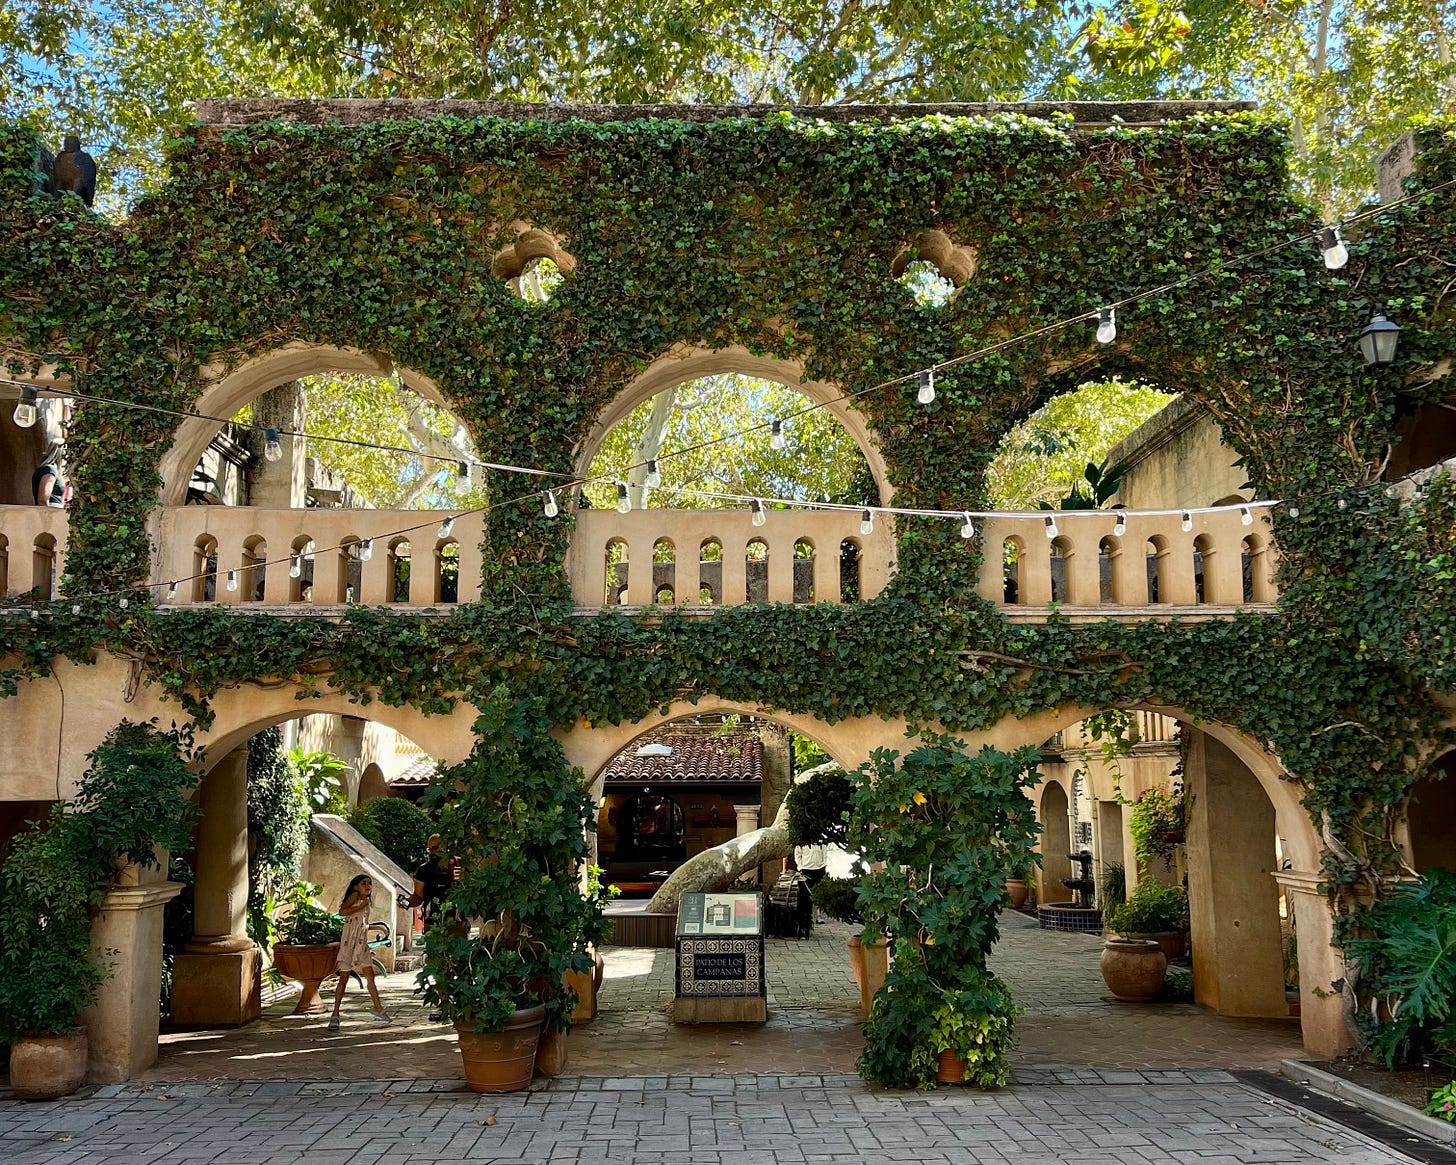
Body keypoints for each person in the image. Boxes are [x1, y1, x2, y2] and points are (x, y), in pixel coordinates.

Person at [326, 874, 392, 1030]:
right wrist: (361, 905)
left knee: (370, 975)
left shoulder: (366, 902)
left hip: (361, 944)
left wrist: (375, 927)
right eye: (364, 883)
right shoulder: (356, 897)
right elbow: (343, 911)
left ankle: (378, 1008)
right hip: (349, 943)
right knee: (344, 977)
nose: (368, 886)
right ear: (356, 887)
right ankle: (335, 1014)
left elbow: (361, 923)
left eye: (370, 883)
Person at [410, 834, 454, 924]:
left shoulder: (456, 865)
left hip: (455, 920)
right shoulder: (423, 869)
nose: (432, 851)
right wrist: (407, 902)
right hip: (431, 920)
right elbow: (418, 897)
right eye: (429, 849)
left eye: (435, 848)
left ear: (444, 847)